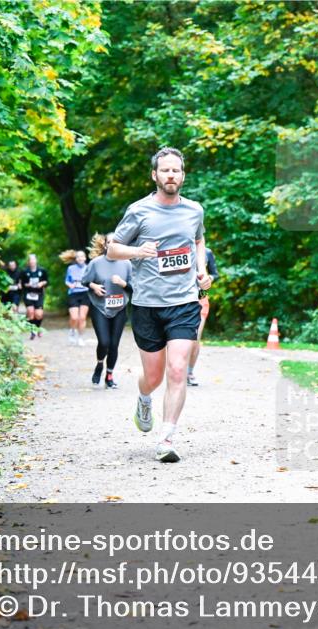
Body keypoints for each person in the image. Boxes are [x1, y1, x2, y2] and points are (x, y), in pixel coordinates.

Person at [108, 147, 212, 463]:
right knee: (153, 377)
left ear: (183, 175)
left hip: (183, 302)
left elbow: (197, 240)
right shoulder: (139, 211)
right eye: (165, 170)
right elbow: (112, 250)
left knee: (178, 369)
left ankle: (166, 439)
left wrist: (202, 269)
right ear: (155, 175)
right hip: (146, 304)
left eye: (176, 171)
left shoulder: (194, 210)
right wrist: (139, 253)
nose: (171, 175)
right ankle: (143, 399)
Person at [81, 233, 132, 389]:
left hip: (120, 308)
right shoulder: (96, 263)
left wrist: (123, 283)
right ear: (105, 245)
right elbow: (84, 281)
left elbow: (134, 288)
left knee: (114, 345)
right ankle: (99, 364)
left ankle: (109, 376)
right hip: (100, 307)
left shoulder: (127, 264)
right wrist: (94, 286)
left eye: (116, 243)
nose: (112, 245)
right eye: (110, 242)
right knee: (104, 342)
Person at [187, 246, 218, 386]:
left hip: (201, 298)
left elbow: (215, 274)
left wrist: (208, 278)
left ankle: (189, 372)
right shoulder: (179, 247)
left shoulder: (207, 252)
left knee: (195, 339)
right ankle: (177, 369)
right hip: (181, 298)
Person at [61, 249, 90, 346]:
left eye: (82, 256)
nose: (80, 258)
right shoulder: (71, 268)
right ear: (76, 259)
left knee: (82, 318)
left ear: (85, 258)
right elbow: (67, 281)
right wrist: (70, 285)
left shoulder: (89, 268)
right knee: (74, 317)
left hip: (85, 293)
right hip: (73, 293)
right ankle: (72, 330)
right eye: (78, 257)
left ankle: (80, 337)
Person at [21, 254, 49, 339]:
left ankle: (38, 328)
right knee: (30, 313)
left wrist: (42, 283)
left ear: (36, 261)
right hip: (28, 294)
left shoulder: (42, 270)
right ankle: (33, 331)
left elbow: (47, 281)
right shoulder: (25, 272)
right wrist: (27, 284)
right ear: (28, 262)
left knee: (39, 314)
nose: (32, 262)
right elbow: (22, 283)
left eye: (34, 260)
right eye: (31, 260)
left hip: (39, 294)